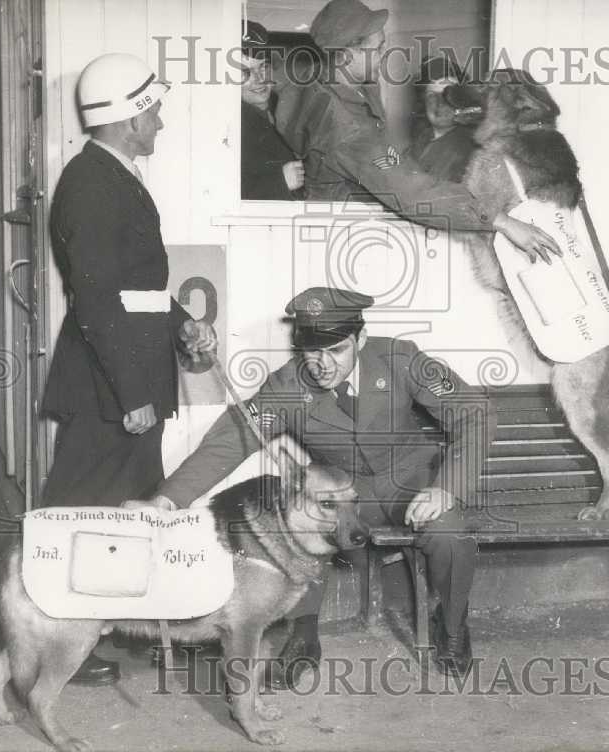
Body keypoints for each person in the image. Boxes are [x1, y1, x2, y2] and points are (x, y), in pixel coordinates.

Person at [147, 286, 495, 685]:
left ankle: (451, 627)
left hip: (411, 483)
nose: (322, 364)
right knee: (296, 520)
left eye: (336, 350)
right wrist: (168, 499)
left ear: (360, 340)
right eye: (312, 351)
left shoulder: (401, 359)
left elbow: (474, 412)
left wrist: (446, 488)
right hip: (345, 495)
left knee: (448, 531)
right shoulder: (288, 386)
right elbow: (233, 439)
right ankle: (304, 636)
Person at [40, 52, 217, 685]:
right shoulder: (91, 184)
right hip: (108, 386)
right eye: (154, 112)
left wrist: (182, 323)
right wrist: (131, 392)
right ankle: (52, 640)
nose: (161, 123)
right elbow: (94, 298)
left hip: (127, 378)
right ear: (127, 119)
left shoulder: (113, 175)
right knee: (77, 512)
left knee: (133, 510)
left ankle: (110, 628)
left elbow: (132, 289)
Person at [273, 0, 562, 263]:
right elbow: (411, 192)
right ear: (348, 55)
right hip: (345, 244)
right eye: (377, 49)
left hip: (344, 234)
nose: (384, 55)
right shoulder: (345, 124)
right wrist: (503, 221)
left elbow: (393, 160)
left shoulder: (339, 92)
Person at [239, 20, 305, 200]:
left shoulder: (289, 106)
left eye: (263, 67)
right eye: (244, 73)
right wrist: (280, 182)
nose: (259, 79)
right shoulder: (229, 126)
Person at [406, 55, 478, 182]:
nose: (439, 104)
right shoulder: (420, 140)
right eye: (431, 95)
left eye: (447, 94)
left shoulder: (468, 150)